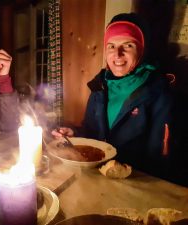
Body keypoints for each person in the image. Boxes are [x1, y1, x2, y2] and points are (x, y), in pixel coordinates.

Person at [52, 13, 173, 178]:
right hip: (98, 175)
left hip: (135, 184)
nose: (117, 54)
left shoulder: (158, 93)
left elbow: (159, 162)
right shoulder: (100, 86)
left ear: (142, 49)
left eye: (128, 45)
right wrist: (75, 134)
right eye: (111, 46)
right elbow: (91, 133)